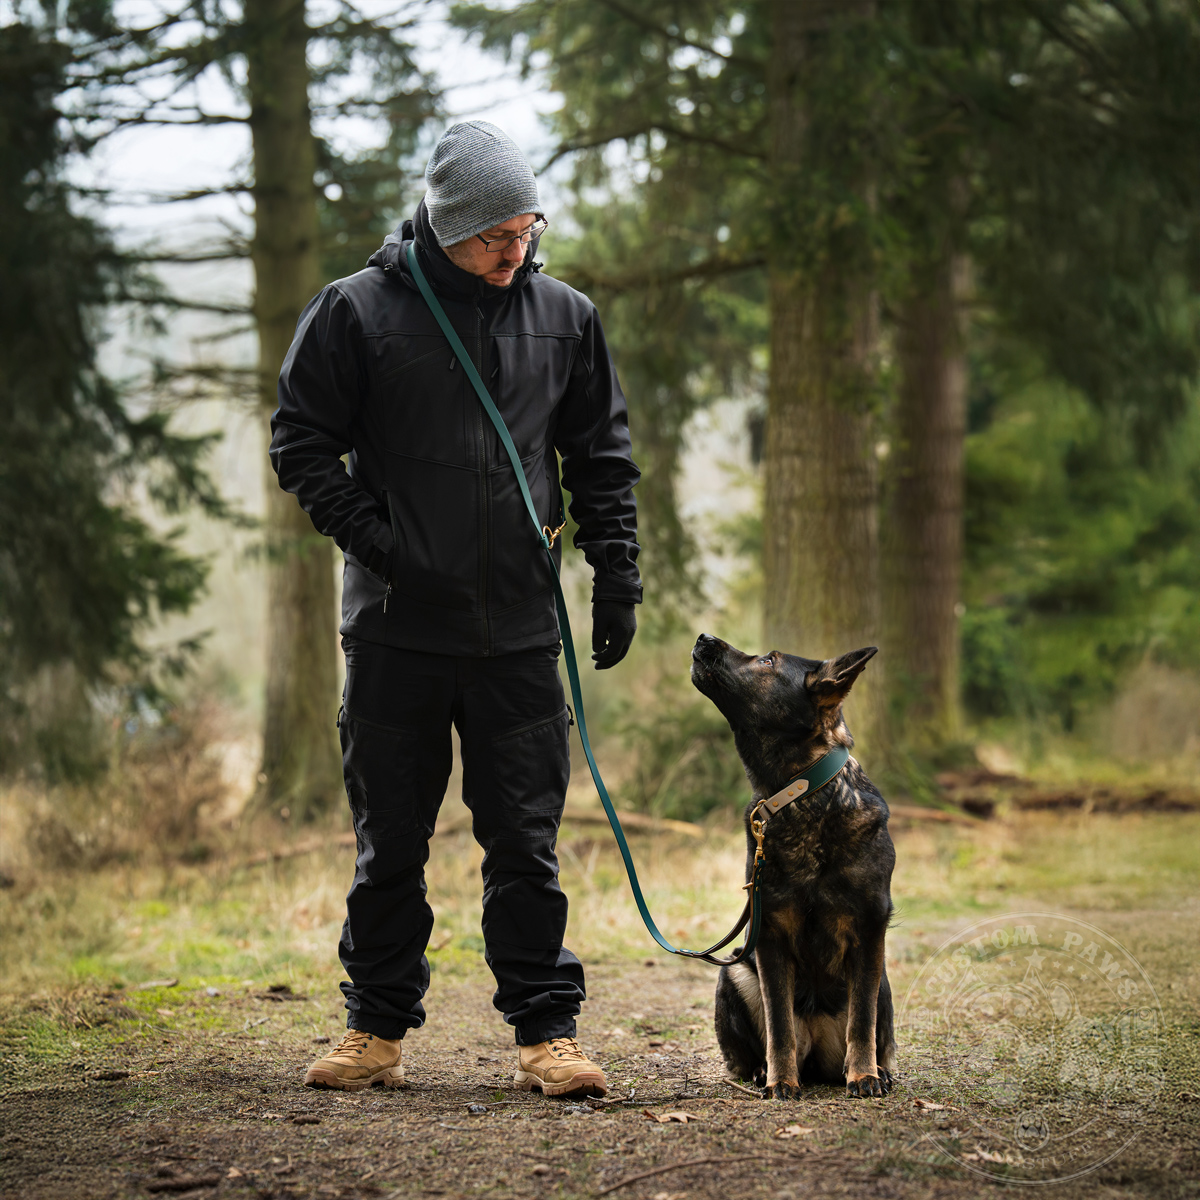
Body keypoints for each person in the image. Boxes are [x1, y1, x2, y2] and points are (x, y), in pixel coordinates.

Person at [269, 120, 641, 1099]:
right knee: (390, 841)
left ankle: (546, 1035)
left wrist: (618, 576)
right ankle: (374, 1030)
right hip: (396, 632)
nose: (515, 250)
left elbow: (601, 462)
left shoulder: (566, 317)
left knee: (525, 841)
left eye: (526, 228)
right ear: (443, 226)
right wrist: (383, 543)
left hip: (517, 633)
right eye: (493, 235)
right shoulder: (355, 313)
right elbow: (299, 445)